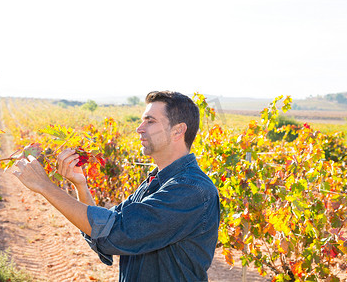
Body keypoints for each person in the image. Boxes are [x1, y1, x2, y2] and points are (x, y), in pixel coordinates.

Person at [13, 91, 220, 281]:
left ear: (178, 131)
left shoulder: (191, 190)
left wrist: (45, 186)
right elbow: (105, 229)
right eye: (142, 121)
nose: (140, 128)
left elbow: (115, 232)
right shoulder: (155, 182)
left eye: (150, 121)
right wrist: (81, 186)